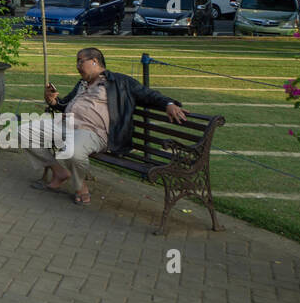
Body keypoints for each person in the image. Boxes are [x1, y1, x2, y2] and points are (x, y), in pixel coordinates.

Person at [25, 46, 188, 206]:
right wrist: (52, 101)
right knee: (25, 132)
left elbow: (148, 94)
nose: (77, 66)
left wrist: (169, 103)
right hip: (65, 125)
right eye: (76, 62)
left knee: (72, 152)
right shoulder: (82, 83)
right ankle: (59, 172)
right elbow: (65, 103)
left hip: (92, 132)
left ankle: (80, 186)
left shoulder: (119, 81)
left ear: (94, 61)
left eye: (80, 62)